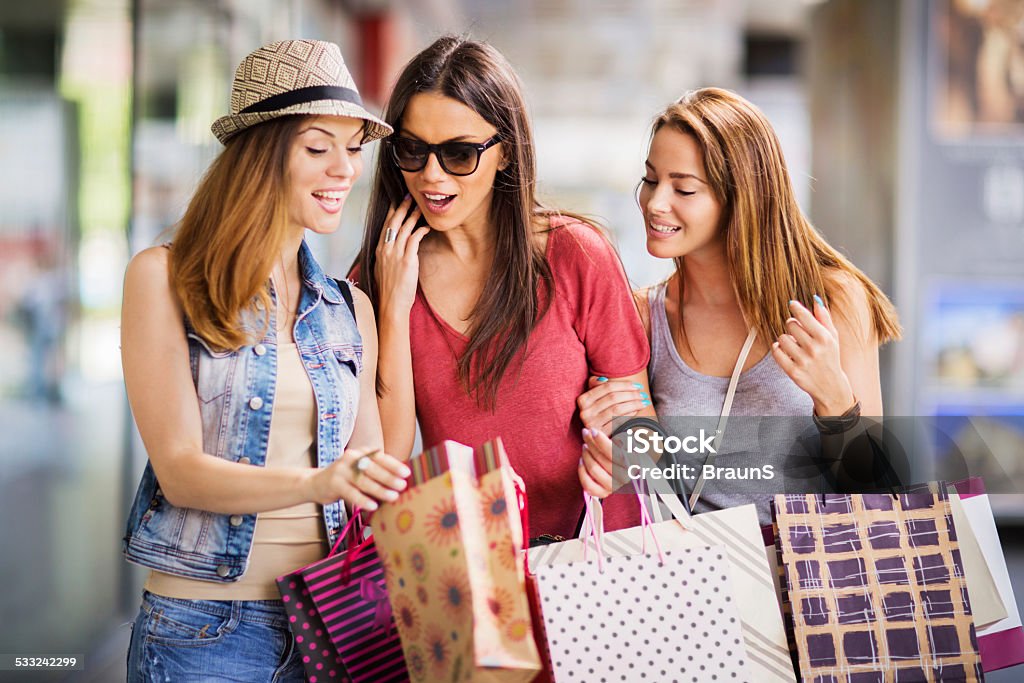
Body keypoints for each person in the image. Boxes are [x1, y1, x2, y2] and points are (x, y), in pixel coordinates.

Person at [121, 40, 409, 682]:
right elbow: (182, 475)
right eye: (317, 147)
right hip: (203, 635)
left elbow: (375, 467)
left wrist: (394, 315)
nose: (344, 169)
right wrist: (317, 483)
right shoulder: (163, 279)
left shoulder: (347, 307)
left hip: (328, 631)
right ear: (261, 153)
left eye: (353, 149)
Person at [352, 36, 653, 539]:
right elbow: (389, 453)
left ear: (506, 153)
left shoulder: (575, 253)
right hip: (472, 572)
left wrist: (621, 455)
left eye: (459, 153)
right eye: (412, 149)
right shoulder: (380, 273)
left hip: (598, 564)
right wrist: (393, 305)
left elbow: (638, 420)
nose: (431, 175)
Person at [576, 88, 902, 524]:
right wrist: (619, 460)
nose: (655, 203)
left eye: (684, 188)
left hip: (810, 582)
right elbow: (658, 481)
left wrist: (833, 395)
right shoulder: (644, 316)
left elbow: (878, 495)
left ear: (742, 197)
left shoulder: (833, 300)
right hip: (700, 583)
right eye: (651, 179)